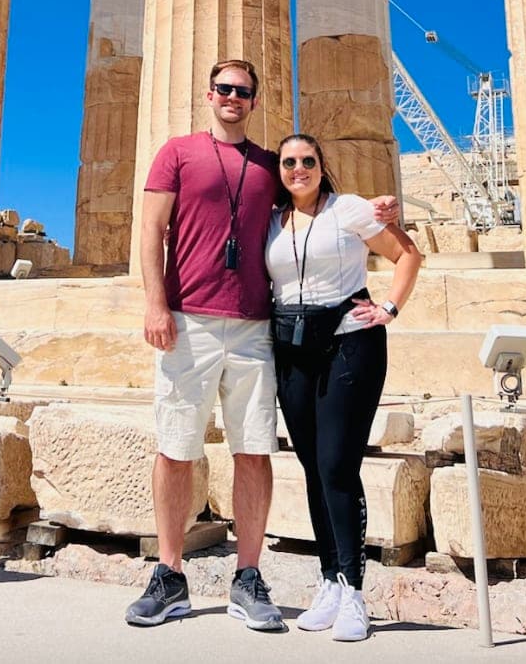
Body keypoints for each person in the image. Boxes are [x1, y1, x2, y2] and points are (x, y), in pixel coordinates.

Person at [126, 61, 398, 632]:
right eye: (224, 89)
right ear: (209, 95)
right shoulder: (176, 152)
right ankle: (169, 574)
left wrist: (373, 210)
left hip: (255, 326)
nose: (232, 97)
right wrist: (154, 304)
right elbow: (151, 228)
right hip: (187, 318)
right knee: (176, 447)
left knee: (254, 450)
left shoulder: (268, 165)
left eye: (243, 91)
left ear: (253, 101)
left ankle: (248, 576)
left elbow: (313, 198)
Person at [267, 133, 421, 643]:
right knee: (312, 466)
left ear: (320, 165)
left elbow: (407, 255)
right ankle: (328, 580)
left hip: (349, 345)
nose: (298, 169)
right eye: (289, 162)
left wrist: (389, 309)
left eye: (307, 161)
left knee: (337, 466)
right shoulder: (272, 219)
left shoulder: (349, 209)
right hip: (292, 351)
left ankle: (354, 591)